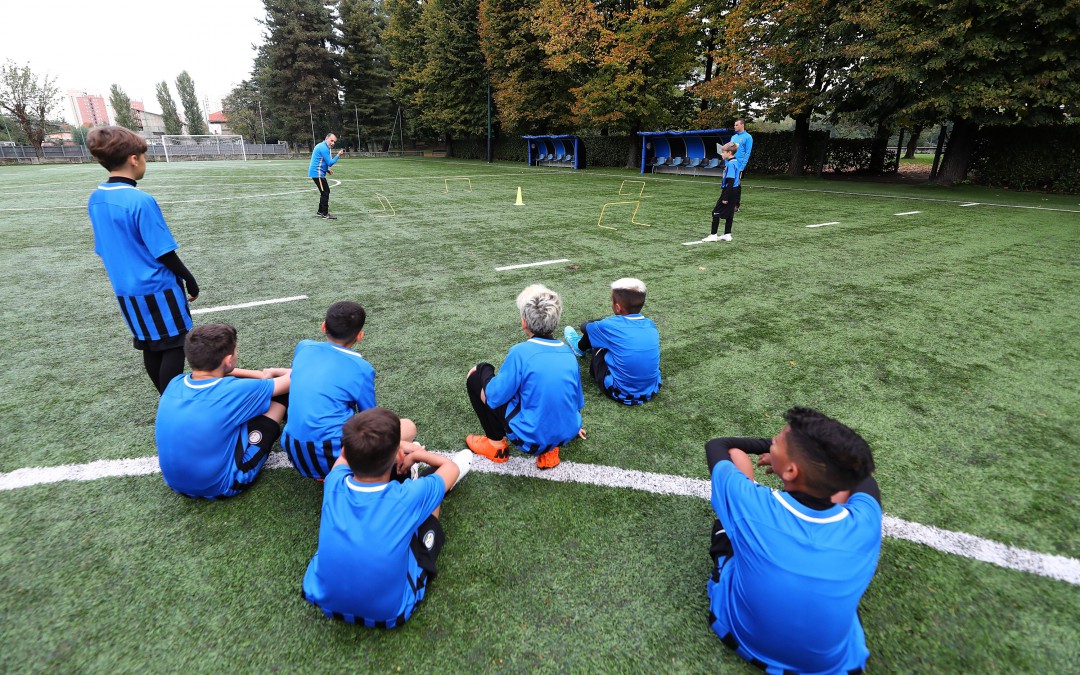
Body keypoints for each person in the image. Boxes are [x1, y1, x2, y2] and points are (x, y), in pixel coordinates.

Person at [705, 407, 882, 674]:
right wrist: (791, 457)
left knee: (735, 470)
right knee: (844, 491)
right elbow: (862, 477)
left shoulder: (752, 504)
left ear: (790, 471)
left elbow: (720, 445)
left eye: (777, 440)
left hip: (742, 638)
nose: (773, 441)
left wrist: (779, 457)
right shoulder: (866, 521)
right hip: (834, 666)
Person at [302, 407, 472, 627]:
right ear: (397, 455)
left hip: (321, 596)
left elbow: (344, 457)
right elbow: (450, 467)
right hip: (389, 612)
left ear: (345, 452)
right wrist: (417, 454)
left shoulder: (334, 481)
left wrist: (398, 447)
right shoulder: (409, 496)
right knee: (429, 501)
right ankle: (414, 475)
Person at [86, 125, 200, 394]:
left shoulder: (96, 198)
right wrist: (190, 279)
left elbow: (104, 247)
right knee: (175, 343)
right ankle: (173, 404)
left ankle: (165, 400)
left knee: (150, 344)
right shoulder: (140, 200)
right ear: (133, 158)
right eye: (144, 156)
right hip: (157, 288)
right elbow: (163, 251)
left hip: (125, 290)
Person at [282, 300, 419, 480]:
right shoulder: (361, 368)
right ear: (360, 335)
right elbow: (370, 420)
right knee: (408, 427)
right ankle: (398, 471)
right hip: (335, 455)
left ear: (324, 327)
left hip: (295, 451)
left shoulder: (304, 347)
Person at [155, 323, 291, 499]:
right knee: (280, 397)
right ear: (228, 360)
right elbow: (297, 376)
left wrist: (260, 375)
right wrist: (271, 372)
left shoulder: (175, 383)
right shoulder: (234, 391)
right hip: (223, 485)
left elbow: (225, 374)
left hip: (175, 483)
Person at [466, 284, 585, 469]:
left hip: (530, 439)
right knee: (532, 388)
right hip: (568, 430)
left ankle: (495, 445)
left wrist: (483, 370)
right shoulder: (568, 353)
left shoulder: (520, 352)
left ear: (524, 322)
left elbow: (495, 396)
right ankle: (551, 449)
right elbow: (577, 401)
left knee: (476, 378)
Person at [562, 278, 661, 405]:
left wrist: (597, 322)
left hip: (620, 392)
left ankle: (578, 348)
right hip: (651, 389)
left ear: (618, 307)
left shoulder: (609, 326)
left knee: (597, 334)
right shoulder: (650, 324)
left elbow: (584, 327)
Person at [704, 142, 740, 242]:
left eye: (723, 152)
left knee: (715, 212)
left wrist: (725, 197)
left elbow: (731, 180)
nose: (721, 154)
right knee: (730, 213)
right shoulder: (735, 162)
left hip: (729, 191)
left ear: (729, 152)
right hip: (734, 191)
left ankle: (713, 235)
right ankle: (727, 234)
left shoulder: (732, 164)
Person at [309, 132, 343, 220]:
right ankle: (325, 214)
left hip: (317, 172)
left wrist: (327, 170)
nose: (333, 143)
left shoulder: (321, 146)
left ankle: (320, 211)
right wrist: (338, 155)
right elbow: (330, 163)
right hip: (317, 173)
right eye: (331, 140)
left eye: (334, 142)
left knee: (324, 191)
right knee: (325, 192)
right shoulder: (324, 148)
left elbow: (319, 160)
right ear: (326, 138)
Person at [730, 118, 753, 189]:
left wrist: (742, 166)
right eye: (734, 125)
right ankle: (727, 199)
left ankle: (736, 199)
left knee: (736, 184)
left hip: (739, 164)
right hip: (731, 163)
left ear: (742, 125)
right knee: (729, 183)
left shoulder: (748, 137)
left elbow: (748, 152)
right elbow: (729, 150)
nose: (735, 126)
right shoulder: (733, 137)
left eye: (737, 125)